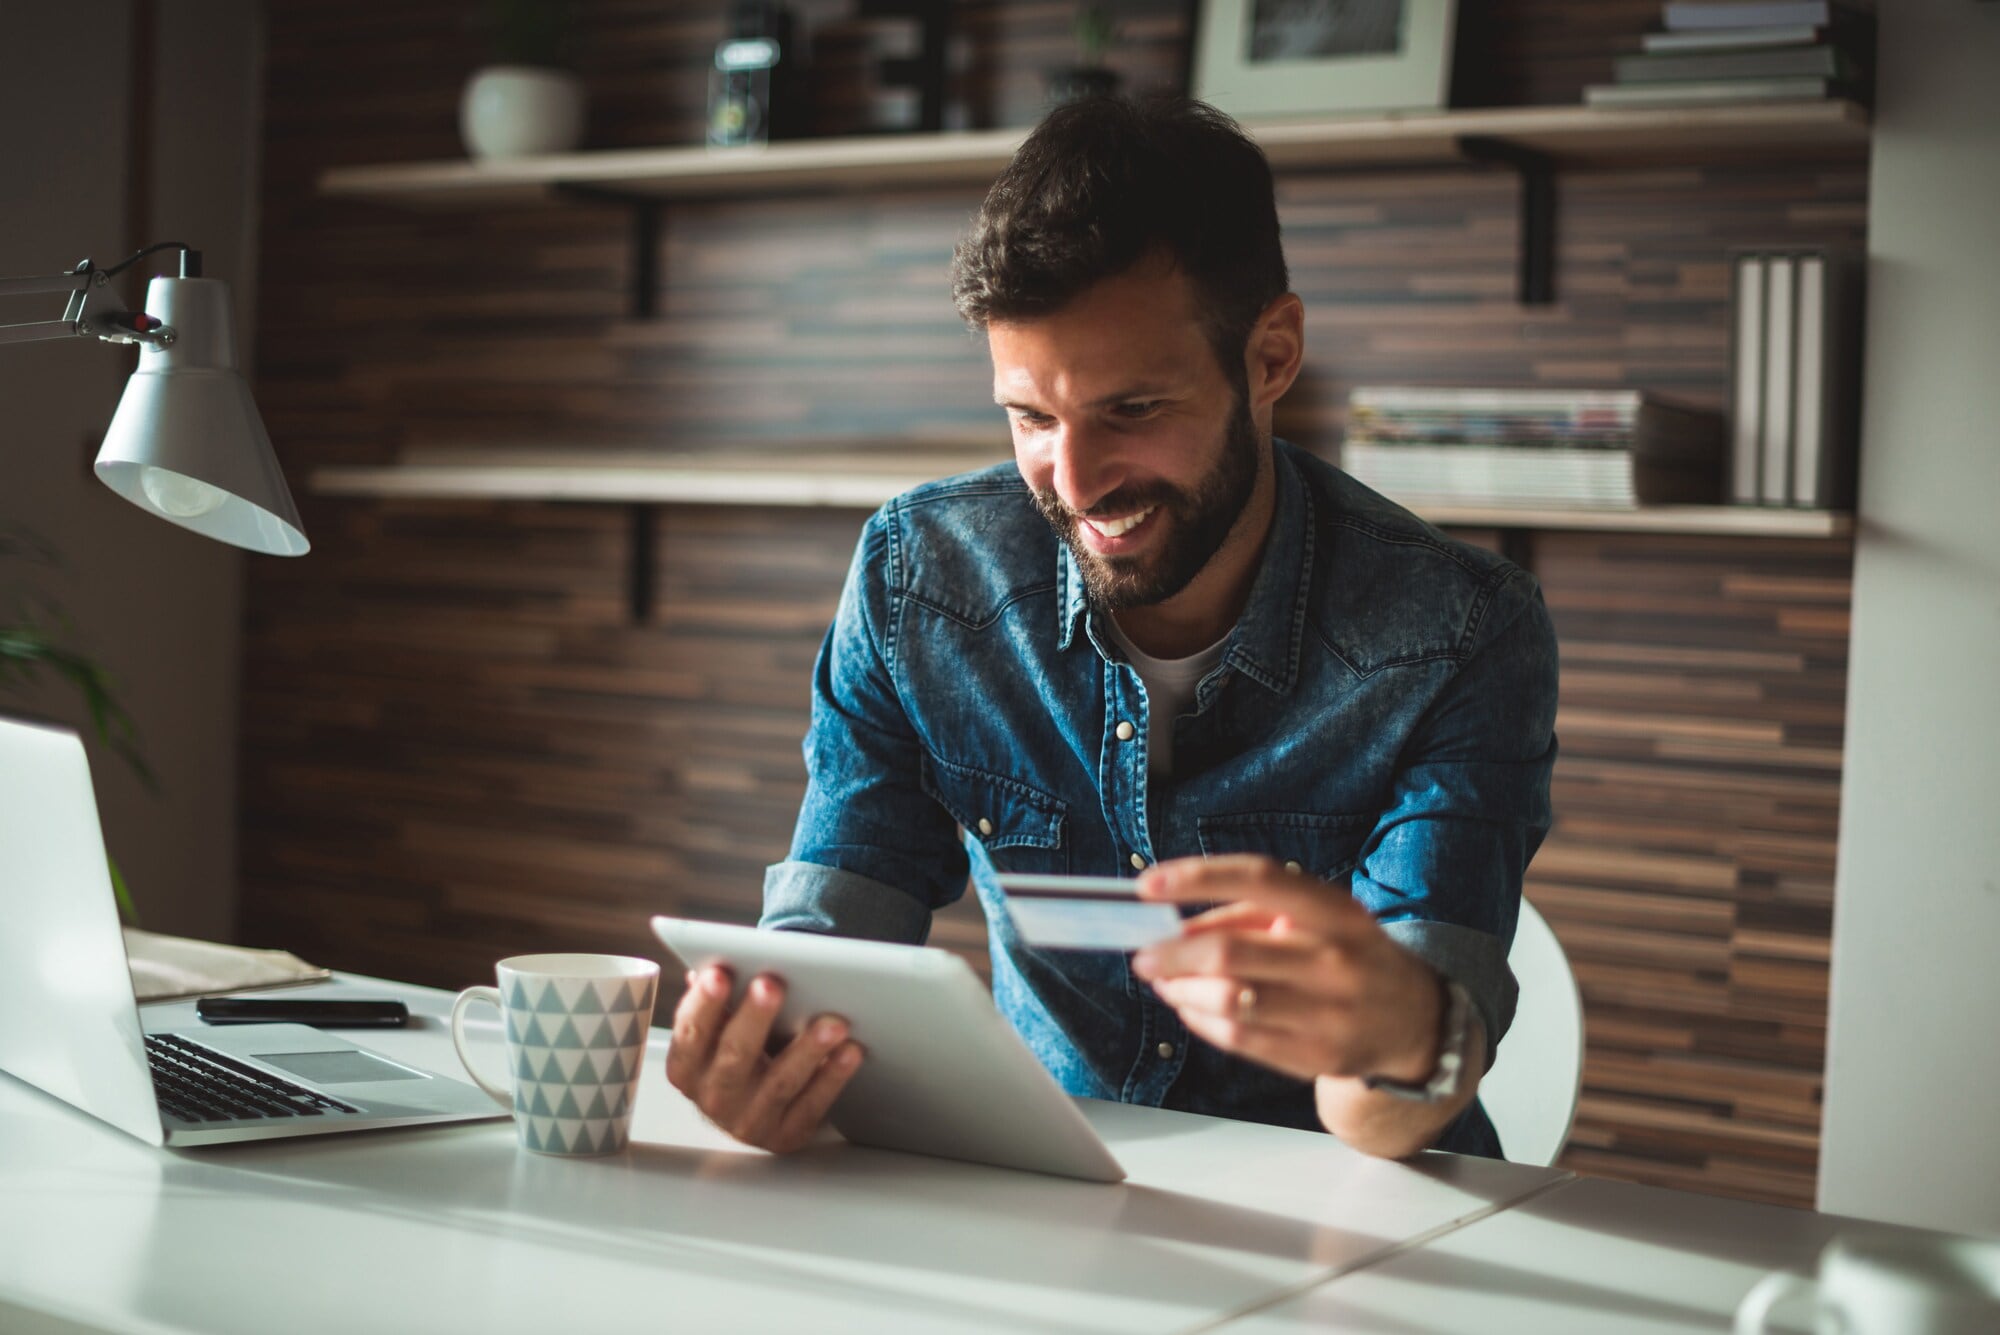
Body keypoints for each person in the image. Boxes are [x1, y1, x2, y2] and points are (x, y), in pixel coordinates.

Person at [665, 95, 1558, 1161]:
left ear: (1269, 357)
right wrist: (764, 1053)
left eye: (1132, 410)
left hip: (1360, 1215)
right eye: (1032, 417)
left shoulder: (1455, 632)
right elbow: (836, 925)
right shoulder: (921, 581)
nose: (1076, 483)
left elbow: (1388, 1111)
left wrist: (1400, 1033)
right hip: (1047, 1197)